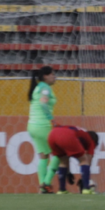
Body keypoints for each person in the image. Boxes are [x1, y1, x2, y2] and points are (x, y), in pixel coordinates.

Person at [27, 66, 59, 194]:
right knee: (58, 154)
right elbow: (43, 103)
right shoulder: (45, 88)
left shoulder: (37, 87)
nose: (55, 77)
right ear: (45, 76)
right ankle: (46, 183)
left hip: (32, 126)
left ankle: (42, 187)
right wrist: (51, 119)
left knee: (43, 156)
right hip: (42, 125)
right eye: (53, 74)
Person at [47, 125, 99, 194]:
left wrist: (68, 172)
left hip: (52, 135)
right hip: (66, 134)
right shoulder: (91, 140)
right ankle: (86, 188)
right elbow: (88, 161)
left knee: (63, 161)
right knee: (84, 160)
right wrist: (84, 179)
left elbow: (66, 160)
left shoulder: (80, 134)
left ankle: (62, 190)